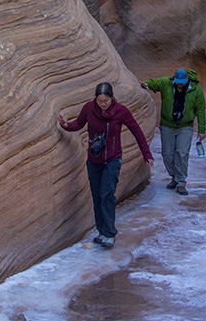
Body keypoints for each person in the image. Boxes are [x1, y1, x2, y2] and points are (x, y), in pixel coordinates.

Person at [58, 83, 154, 248]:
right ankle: (101, 232)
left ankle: (109, 234)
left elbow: (136, 131)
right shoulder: (89, 108)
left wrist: (147, 154)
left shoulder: (121, 111)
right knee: (96, 196)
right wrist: (65, 125)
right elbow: (78, 124)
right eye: (100, 101)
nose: (103, 104)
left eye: (106, 101)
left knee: (107, 194)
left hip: (112, 159)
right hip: (94, 160)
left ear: (112, 98)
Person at [140, 68, 206, 195]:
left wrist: (201, 130)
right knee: (167, 154)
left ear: (187, 79)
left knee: (182, 153)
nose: (179, 84)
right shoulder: (167, 83)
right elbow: (153, 83)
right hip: (167, 125)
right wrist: (145, 84)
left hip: (185, 126)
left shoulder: (196, 90)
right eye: (177, 81)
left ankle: (181, 183)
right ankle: (174, 177)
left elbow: (200, 110)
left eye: (182, 82)